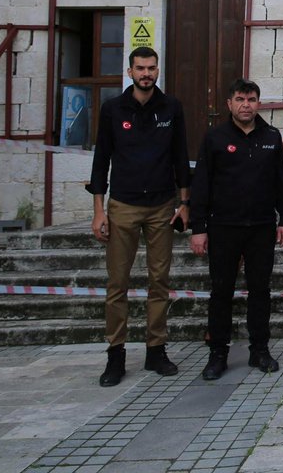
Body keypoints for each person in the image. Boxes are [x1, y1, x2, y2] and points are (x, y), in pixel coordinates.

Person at [87, 46, 190, 387]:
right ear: (129, 71)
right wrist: (99, 211)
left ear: (158, 70)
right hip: (123, 206)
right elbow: (101, 160)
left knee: (159, 281)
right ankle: (115, 354)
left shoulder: (171, 108)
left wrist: (184, 203)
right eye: (140, 68)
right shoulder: (113, 109)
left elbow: (180, 157)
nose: (146, 73)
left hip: (162, 206)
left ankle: (155, 350)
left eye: (151, 68)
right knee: (118, 283)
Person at [189, 79, 283, 380]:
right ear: (229, 104)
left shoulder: (271, 136)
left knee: (261, 290)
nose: (246, 105)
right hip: (223, 227)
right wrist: (199, 227)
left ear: (259, 102)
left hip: (261, 227)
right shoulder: (215, 137)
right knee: (221, 292)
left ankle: (259, 350)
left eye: (251, 99)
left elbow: (281, 183)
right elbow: (202, 185)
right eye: (240, 99)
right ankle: (217, 353)